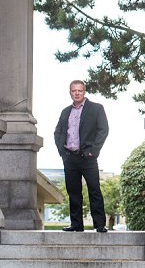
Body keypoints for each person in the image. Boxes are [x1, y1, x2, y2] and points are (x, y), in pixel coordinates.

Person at [54, 79, 109, 232]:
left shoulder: (96, 108)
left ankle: (99, 224)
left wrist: (94, 150)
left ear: (84, 92)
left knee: (94, 190)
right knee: (73, 191)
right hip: (69, 157)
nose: (77, 93)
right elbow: (58, 132)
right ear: (70, 92)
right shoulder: (65, 112)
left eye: (79, 90)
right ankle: (76, 224)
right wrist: (62, 152)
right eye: (73, 90)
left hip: (88, 157)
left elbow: (103, 130)